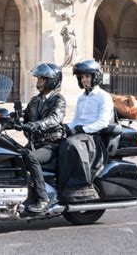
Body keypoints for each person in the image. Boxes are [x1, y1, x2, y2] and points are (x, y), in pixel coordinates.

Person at [58, 59, 114, 202]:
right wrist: (65, 127)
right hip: (80, 134)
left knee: (71, 145)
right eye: (82, 77)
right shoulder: (82, 97)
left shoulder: (104, 97)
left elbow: (102, 122)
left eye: (87, 76)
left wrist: (83, 129)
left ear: (95, 77)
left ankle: (81, 187)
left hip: (93, 137)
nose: (84, 80)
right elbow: (76, 119)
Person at [22, 63, 66, 213]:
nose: (38, 82)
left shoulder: (58, 100)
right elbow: (25, 116)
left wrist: (37, 125)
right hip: (35, 142)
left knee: (32, 158)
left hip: (51, 144)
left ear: (52, 80)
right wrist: (8, 119)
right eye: (38, 79)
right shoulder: (35, 101)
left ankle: (43, 199)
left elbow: (54, 118)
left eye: (42, 79)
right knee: (12, 154)